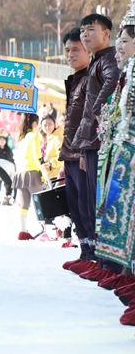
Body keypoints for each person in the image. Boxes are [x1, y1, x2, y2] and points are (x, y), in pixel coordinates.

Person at [94, 0, 135, 322]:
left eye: (124, 39)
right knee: (120, 217)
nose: (120, 46)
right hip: (123, 150)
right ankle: (122, 270)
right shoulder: (127, 72)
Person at [72, 13, 120, 268]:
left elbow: (112, 81)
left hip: (98, 140)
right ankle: (96, 257)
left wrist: (97, 112)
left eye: (90, 30)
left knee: (97, 200)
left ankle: (103, 260)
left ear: (107, 34)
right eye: (82, 31)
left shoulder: (108, 59)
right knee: (88, 200)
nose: (85, 35)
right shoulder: (97, 61)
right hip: (91, 140)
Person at [59, 28, 93, 271]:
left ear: (88, 51)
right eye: (67, 50)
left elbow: (91, 119)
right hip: (69, 154)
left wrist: (83, 152)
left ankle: (94, 255)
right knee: (75, 205)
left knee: (86, 204)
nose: (70, 54)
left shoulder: (93, 77)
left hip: (83, 153)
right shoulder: (75, 79)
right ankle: (85, 251)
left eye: (75, 50)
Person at [12, 114, 44, 240]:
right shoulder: (34, 136)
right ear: (35, 123)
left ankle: (23, 231)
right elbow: (37, 155)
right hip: (32, 172)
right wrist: (43, 171)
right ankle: (46, 229)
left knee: (24, 205)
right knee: (40, 203)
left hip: (20, 173)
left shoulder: (21, 137)